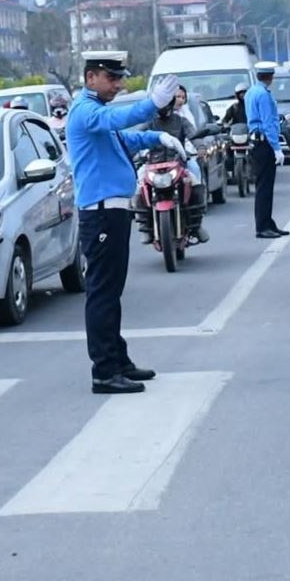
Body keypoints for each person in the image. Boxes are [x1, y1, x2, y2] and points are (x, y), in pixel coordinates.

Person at [67, 51, 184, 394]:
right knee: (103, 292)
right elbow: (118, 122)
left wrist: (156, 138)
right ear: (91, 78)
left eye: (119, 78)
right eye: (111, 77)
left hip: (111, 210)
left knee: (112, 291)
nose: (118, 84)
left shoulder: (96, 112)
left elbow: (123, 139)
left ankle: (118, 360)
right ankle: (104, 370)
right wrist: (151, 104)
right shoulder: (86, 111)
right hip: (100, 211)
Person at [138, 89, 208, 244]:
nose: (162, 108)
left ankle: (196, 225)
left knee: (196, 183)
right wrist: (129, 154)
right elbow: (135, 138)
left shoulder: (181, 121)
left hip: (178, 164)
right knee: (138, 189)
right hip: (152, 165)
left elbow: (194, 136)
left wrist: (201, 148)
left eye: (165, 104)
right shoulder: (150, 123)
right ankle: (144, 226)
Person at [245, 61, 287, 238]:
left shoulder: (251, 92)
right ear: (270, 77)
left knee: (264, 186)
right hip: (264, 143)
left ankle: (268, 222)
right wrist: (277, 147)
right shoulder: (263, 95)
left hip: (257, 142)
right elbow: (268, 123)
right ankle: (262, 226)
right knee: (264, 187)